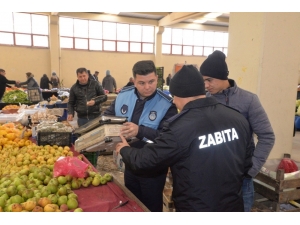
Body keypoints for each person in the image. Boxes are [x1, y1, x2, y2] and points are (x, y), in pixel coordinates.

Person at [116, 65, 252, 212]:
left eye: (174, 96)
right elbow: (247, 162)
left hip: (196, 206)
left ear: (181, 94)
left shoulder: (179, 128)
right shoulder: (237, 118)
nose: (174, 101)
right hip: (232, 205)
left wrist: (124, 149)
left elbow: (146, 160)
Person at [199, 50, 275, 212]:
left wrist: (251, 169)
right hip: (210, 176)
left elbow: (267, 136)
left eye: (209, 80)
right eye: (203, 80)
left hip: (240, 179)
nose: (206, 85)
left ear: (222, 76)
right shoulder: (204, 101)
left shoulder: (248, 100)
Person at [103, 60, 178, 212]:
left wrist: (140, 131)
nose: (147, 87)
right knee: (132, 203)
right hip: (129, 161)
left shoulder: (167, 105)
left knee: (150, 207)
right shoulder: (123, 96)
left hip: (153, 168)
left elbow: (166, 139)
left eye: (151, 81)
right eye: (141, 83)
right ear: (134, 81)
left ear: (157, 78)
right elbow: (107, 117)